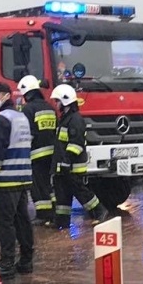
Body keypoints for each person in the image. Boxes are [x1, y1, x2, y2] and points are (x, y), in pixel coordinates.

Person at [0, 81, 34, 278]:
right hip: (22, 178)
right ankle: (26, 261)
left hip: (5, 180)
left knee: (5, 224)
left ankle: (7, 264)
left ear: (5, 96)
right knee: (23, 222)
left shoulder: (2, 120)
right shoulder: (21, 117)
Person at [50, 83, 105, 229]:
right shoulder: (65, 118)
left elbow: (76, 143)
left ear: (65, 101)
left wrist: (67, 161)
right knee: (62, 194)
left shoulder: (75, 119)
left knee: (80, 191)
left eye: (57, 101)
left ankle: (99, 211)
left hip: (72, 166)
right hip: (63, 165)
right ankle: (61, 221)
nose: (56, 104)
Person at [19, 74, 57, 225]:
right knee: (48, 184)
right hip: (52, 153)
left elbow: (27, 133)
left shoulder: (28, 109)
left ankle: (43, 214)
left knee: (38, 185)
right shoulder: (50, 107)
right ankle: (53, 211)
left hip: (36, 154)